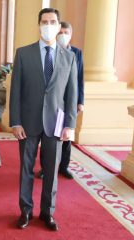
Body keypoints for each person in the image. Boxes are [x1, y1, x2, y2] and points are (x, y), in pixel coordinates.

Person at [10, 8, 77, 231]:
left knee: (51, 171)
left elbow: (71, 93)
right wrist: (15, 121)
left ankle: (47, 212)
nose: (48, 25)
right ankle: (25, 211)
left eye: (53, 22)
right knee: (26, 169)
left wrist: (70, 124)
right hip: (27, 123)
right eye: (45, 22)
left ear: (59, 27)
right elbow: (16, 90)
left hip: (56, 123)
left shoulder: (69, 57)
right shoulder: (23, 53)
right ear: (39, 25)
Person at [36, 21, 85, 180]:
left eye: (66, 32)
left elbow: (79, 79)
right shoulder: (52, 51)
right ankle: (45, 168)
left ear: (71, 35)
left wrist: (80, 101)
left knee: (66, 137)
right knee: (48, 136)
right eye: (61, 32)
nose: (63, 35)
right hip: (53, 103)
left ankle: (64, 166)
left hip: (69, 103)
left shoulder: (76, 53)